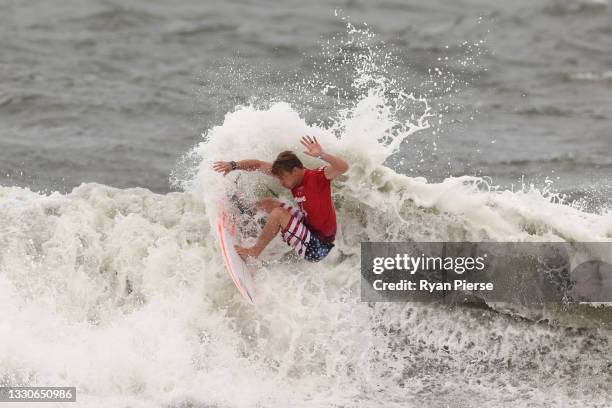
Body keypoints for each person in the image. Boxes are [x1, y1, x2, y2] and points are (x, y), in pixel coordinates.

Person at [213, 135, 349, 262]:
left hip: (318, 247)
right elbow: (259, 164)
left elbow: (343, 167)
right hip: (308, 226)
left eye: (282, 178)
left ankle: (254, 252)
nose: (280, 182)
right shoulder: (291, 176)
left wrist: (322, 154)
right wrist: (233, 165)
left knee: (278, 214)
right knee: (268, 203)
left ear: (295, 171)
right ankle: (246, 225)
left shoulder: (317, 177)